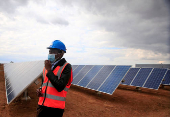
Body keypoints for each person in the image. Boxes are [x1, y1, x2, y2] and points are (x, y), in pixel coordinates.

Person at [36, 40, 73, 117]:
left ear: (60, 53)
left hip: (55, 109)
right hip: (42, 105)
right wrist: (40, 89)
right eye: (49, 51)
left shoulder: (66, 67)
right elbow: (45, 83)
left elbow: (60, 86)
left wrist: (49, 70)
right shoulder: (47, 66)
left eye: (53, 51)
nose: (50, 54)